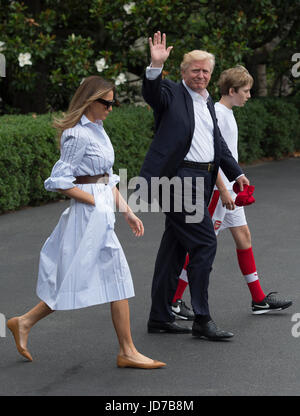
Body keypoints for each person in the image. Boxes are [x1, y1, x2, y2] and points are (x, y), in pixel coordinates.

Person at [7, 75, 166, 369]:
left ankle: (27, 322)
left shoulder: (99, 130)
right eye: (106, 102)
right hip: (87, 215)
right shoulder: (76, 135)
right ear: (90, 102)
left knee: (105, 276)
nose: (110, 107)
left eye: (113, 102)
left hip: (101, 211)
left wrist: (126, 210)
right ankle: (125, 351)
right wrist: (94, 201)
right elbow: (59, 181)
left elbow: (106, 177)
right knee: (90, 276)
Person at [139, 31, 250, 340]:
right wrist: (154, 65)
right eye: (194, 70)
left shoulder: (206, 101)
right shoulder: (171, 94)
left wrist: (236, 173)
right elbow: (151, 93)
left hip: (201, 179)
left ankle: (160, 317)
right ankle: (202, 319)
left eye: (205, 71)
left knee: (173, 251)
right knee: (204, 243)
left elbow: (216, 144)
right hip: (177, 181)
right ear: (183, 72)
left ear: (210, 75)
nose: (200, 75)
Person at [171, 66, 292, 320]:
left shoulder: (227, 112)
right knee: (200, 247)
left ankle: (258, 300)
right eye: (246, 91)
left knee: (244, 237)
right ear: (232, 90)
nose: (249, 95)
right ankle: (174, 300)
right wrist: (224, 190)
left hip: (229, 193)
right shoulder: (218, 114)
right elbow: (211, 157)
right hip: (220, 195)